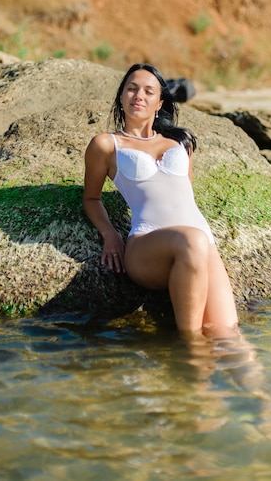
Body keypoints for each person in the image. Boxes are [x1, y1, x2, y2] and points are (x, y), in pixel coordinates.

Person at [83, 63, 238, 338]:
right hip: (147, 245)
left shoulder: (181, 141)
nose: (138, 95)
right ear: (121, 97)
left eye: (148, 91)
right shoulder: (107, 144)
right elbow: (92, 198)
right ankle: (191, 354)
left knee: (230, 338)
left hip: (202, 245)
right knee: (197, 338)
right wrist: (110, 235)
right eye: (131, 89)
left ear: (159, 102)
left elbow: (185, 192)